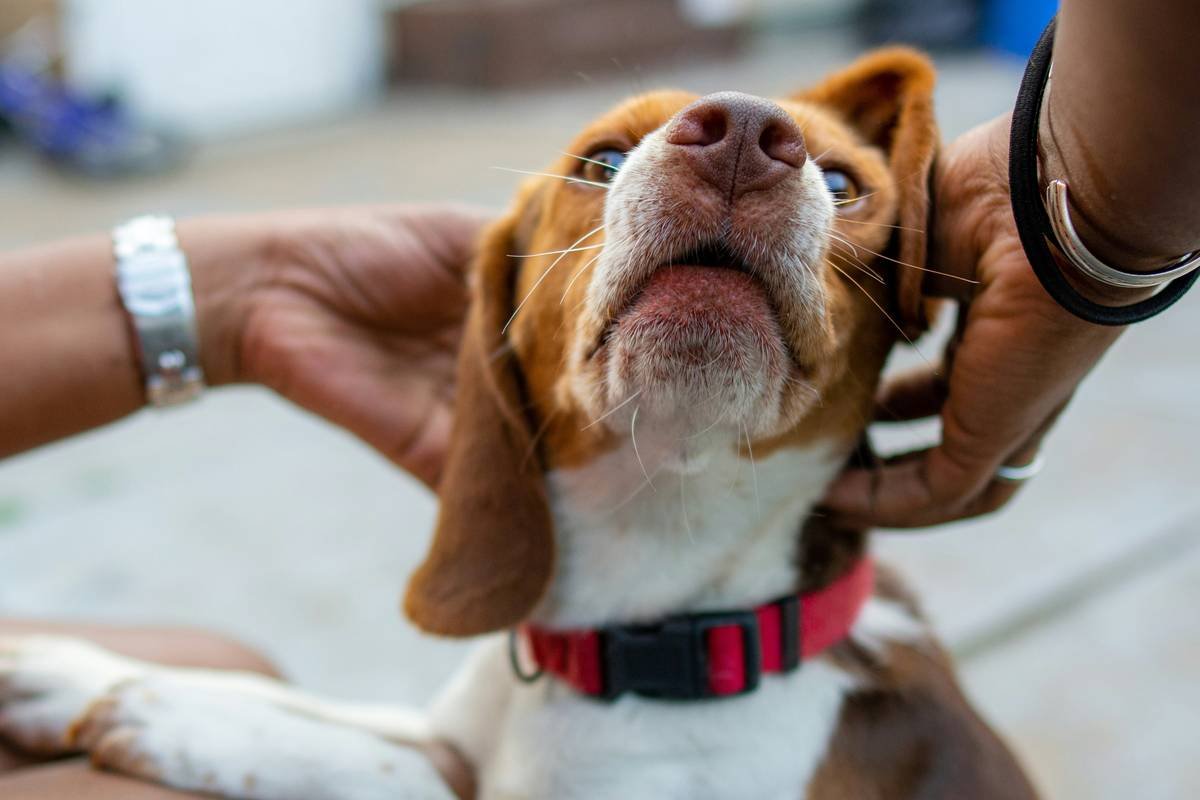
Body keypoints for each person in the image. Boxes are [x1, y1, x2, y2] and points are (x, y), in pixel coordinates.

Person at [2, 0, 1198, 796]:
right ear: (505, 333)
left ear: (897, 318)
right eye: (607, 167)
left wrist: (1088, 212)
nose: (742, 141)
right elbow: (477, 760)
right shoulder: (555, 651)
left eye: (842, 181)